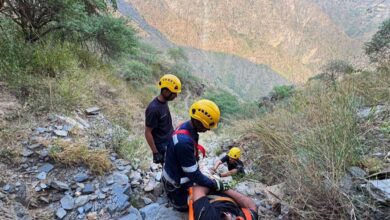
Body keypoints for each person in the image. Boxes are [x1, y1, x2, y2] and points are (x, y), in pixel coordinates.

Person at [163, 99, 229, 211]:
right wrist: (214, 184)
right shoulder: (184, 142)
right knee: (196, 204)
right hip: (176, 187)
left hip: (174, 173)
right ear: (199, 122)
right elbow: (194, 175)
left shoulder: (186, 127)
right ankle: (178, 203)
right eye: (207, 126)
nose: (208, 129)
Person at [145, 74, 181, 165]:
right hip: (162, 146)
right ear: (165, 91)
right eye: (174, 93)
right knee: (170, 170)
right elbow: (147, 132)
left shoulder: (164, 102)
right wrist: (155, 152)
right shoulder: (153, 109)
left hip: (170, 140)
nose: (176, 96)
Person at [191, 185, 258, 220]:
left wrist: (214, 184)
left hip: (211, 193)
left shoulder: (209, 217)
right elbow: (252, 205)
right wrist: (225, 189)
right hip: (227, 194)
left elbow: (198, 189)